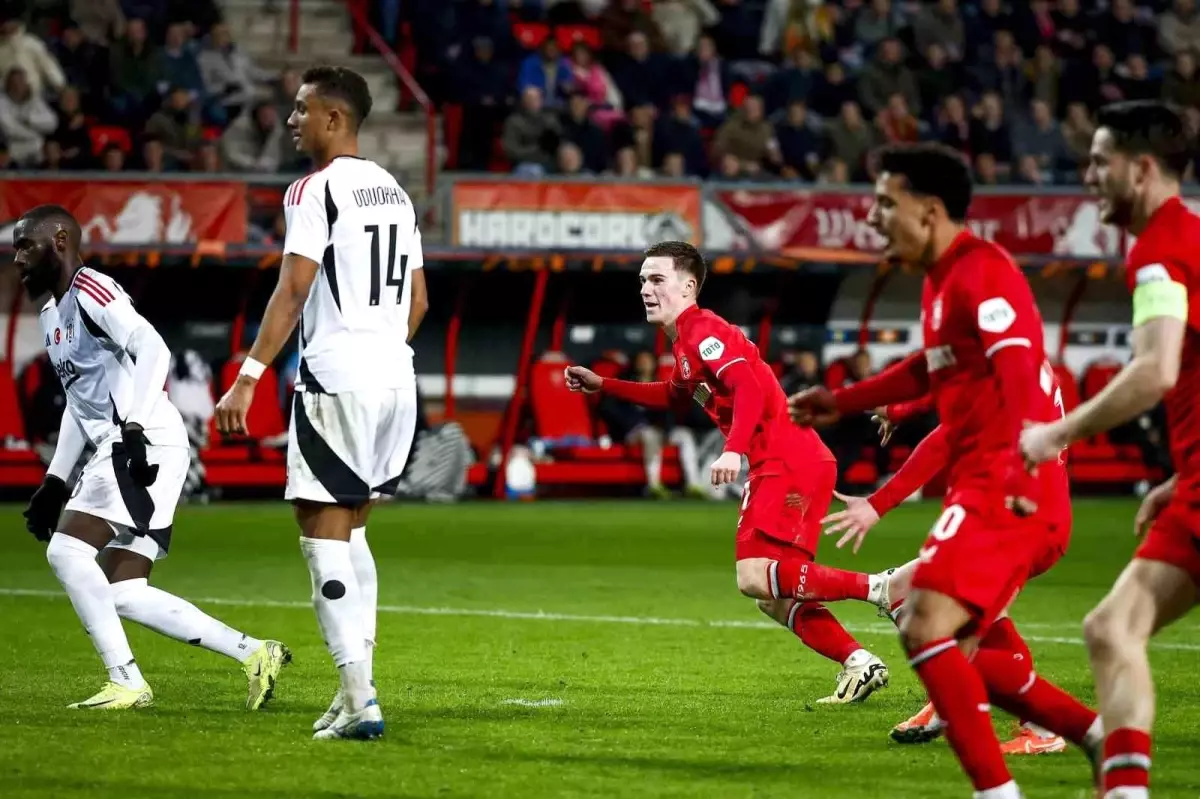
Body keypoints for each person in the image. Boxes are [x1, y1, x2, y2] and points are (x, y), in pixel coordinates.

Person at [788, 143, 1102, 798]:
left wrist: (1020, 476)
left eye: (884, 202)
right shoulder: (943, 280)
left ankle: (1016, 770)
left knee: (927, 620)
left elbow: (1019, 376)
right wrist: (843, 400)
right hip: (988, 489)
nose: (871, 216)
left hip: (1011, 491)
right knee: (926, 622)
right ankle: (1092, 735)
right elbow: (926, 372)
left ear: (928, 210)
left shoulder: (982, 273)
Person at [564, 241, 891, 704]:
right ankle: (859, 663)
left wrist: (733, 451)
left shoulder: (704, 331)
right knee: (774, 592)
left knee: (753, 576)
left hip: (784, 461)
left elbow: (748, 388)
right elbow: (673, 394)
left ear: (688, 286)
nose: (645, 289)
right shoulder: (685, 342)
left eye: (657, 279)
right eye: (642, 281)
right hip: (798, 460)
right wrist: (604, 384)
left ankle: (881, 587)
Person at [214, 66, 429, 741]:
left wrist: (248, 375)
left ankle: (361, 699)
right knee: (354, 530)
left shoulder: (313, 188)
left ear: (335, 118)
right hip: (396, 379)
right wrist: (380, 351)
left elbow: (293, 289)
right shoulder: (395, 190)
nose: (291, 120)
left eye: (302, 109)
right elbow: (419, 301)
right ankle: (354, 690)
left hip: (339, 379)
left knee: (321, 537)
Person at [14, 204, 290, 712]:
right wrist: (54, 480)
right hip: (134, 443)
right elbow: (80, 404)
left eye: (25, 245)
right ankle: (255, 653)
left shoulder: (92, 288)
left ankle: (126, 681)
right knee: (124, 590)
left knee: (66, 552)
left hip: (140, 442)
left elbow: (154, 349)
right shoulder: (52, 316)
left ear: (59, 241)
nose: (17, 258)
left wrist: (135, 425)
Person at [1020, 100, 1200, 799]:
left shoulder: (1159, 250)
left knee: (1114, 629)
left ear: (1141, 168)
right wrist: (1180, 477)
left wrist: (1057, 432)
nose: (1089, 175)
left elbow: (1155, 371)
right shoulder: (1189, 238)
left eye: (1100, 162)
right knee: (1110, 628)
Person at [824, 389, 1074, 756]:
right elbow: (944, 383)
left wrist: (877, 504)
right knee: (902, 589)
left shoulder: (1007, 370)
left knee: (975, 617)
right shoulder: (1014, 365)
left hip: (1022, 518)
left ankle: (1041, 726)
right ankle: (947, 698)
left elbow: (945, 438)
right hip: (1008, 512)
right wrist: (900, 407)